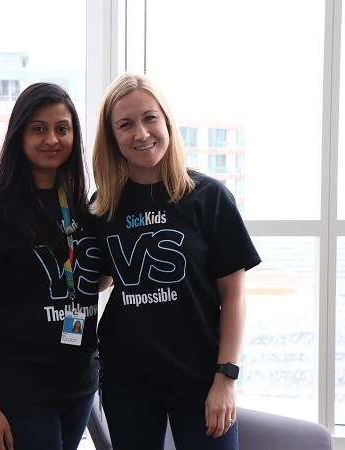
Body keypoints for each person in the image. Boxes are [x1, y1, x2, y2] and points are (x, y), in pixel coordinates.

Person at [89, 73, 261, 450]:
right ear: (112, 137)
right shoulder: (102, 207)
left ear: (166, 121)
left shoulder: (209, 198)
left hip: (201, 378)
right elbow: (99, 278)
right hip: (127, 381)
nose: (141, 133)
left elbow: (234, 296)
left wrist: (226, 379)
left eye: (150, 118)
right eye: (125, 124)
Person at [0, 82, 102, 450]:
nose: (52, 139)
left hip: (78, 384)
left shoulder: (86, 210)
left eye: (62, 128)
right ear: (18, 135)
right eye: (38, 128)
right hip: (22, 390)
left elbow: (91, 280)